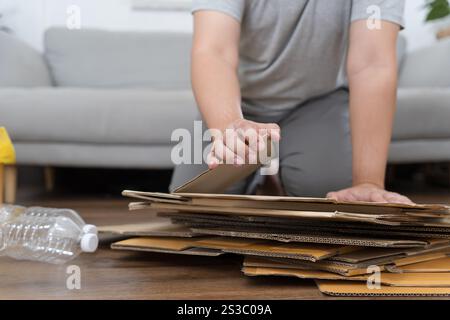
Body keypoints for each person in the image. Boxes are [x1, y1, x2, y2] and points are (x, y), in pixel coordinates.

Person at [170, 0, 413, 204]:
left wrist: (368, 181)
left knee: (329, 197)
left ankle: (274, 176)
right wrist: (229, 126)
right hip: (239, 104)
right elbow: (214, 50)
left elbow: (372, 64)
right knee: (194, 203)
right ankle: (262, 177)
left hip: (318, 101)